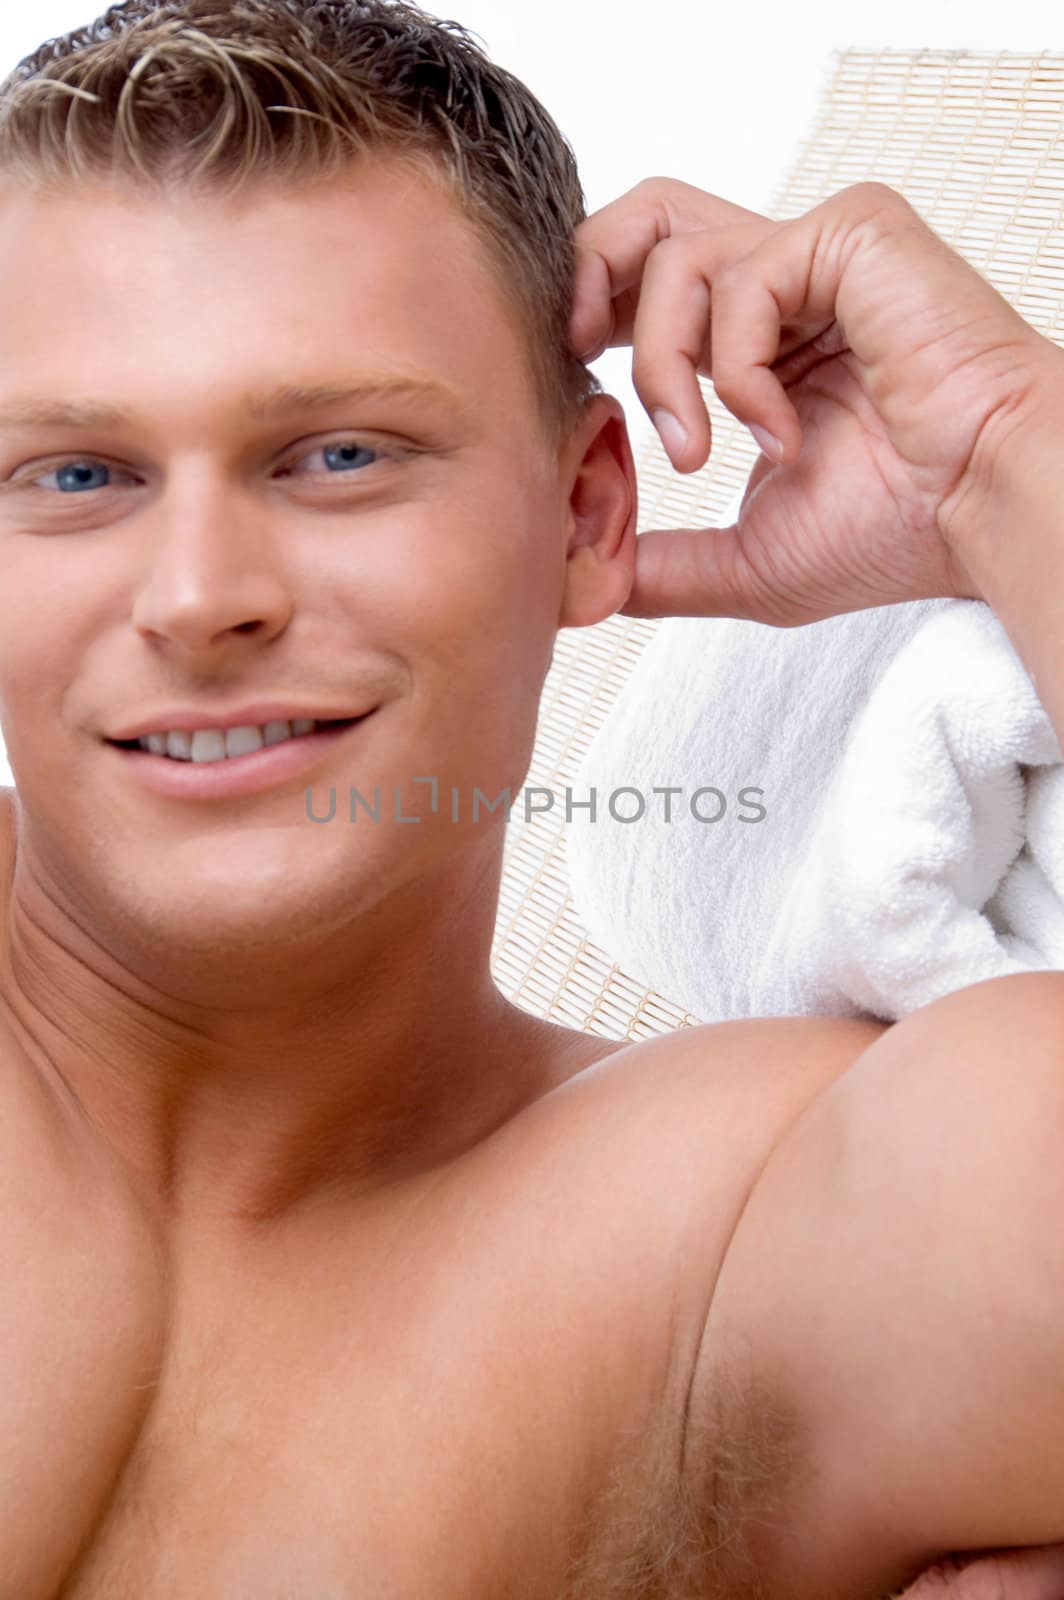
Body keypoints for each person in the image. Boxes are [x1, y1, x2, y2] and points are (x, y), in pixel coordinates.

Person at [0, 1, 1061, 1595]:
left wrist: (1008, 450)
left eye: (339, 456)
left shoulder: (735, 1232)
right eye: (75, 477)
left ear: (583, 512)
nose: (200, 596)